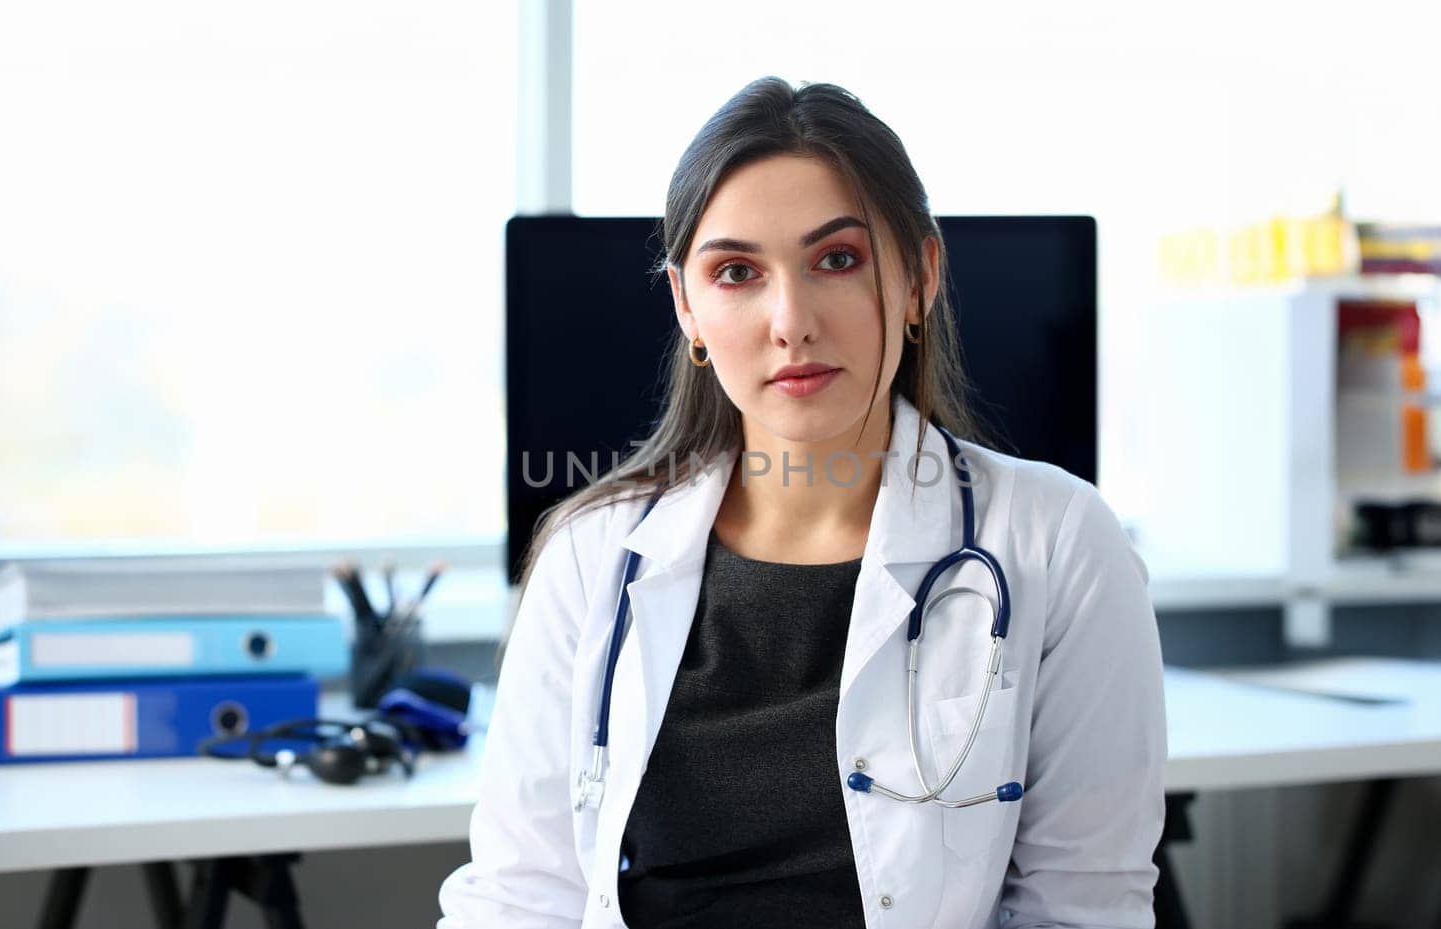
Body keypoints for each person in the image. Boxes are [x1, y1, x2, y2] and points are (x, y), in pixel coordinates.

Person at [437, 76, 1165, 929]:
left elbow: (1084, 907)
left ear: (920, 276)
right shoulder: (591, 553)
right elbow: (520, 898)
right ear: (687, 307)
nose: (791, 321)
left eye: (838, 259)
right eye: (737, 272)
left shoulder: (1058, 541)